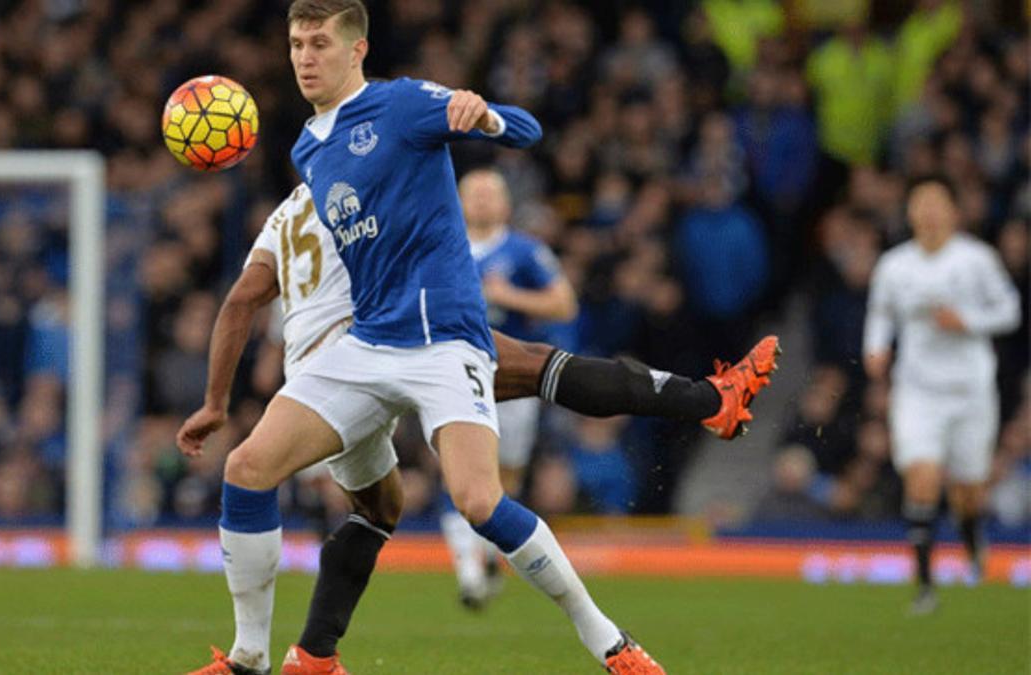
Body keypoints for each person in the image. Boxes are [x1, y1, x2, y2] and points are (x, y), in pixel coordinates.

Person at [187, 2, 773, 673]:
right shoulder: (307, 147)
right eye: (295, 44)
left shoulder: (403, 104)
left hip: (443, 341)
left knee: (478, 500)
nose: (304, 57)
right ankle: (249, 659)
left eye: (319, 43)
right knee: (246, 468)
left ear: (358, 51)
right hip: (366, 343)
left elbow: (524, 129)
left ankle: (612, 643)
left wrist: (484, 114)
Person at [863, 175, 1020, 615]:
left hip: (970, 391)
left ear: (954, 210)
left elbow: (1010, 310)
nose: (929, 211)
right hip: (917, 391)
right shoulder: (895, 266)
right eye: (920, 202)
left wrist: (966, 320)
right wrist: (875, 351)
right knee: (923, 476)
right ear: (910, 211)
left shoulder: (977, 260)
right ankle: (926, 586)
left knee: (968, 490)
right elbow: (880, 315)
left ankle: (972, 536)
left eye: (937, 202)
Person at [442, 167, 578, 609]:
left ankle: (485, 554)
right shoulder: (442, 244)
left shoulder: (525, 251)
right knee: (458, 466)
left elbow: (563, 303)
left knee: (507, 474)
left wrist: (507, 296)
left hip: (509, 376)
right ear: (459, 200)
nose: (481, 201)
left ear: (505, 204)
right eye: (473, 193)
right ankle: (468, 570)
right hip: (450, 371)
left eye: (490, 194)